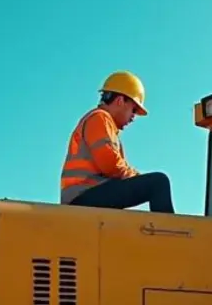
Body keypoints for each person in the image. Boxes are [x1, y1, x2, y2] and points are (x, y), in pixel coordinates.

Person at [58, 71, 175, 214]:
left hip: (83, 195)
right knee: (158, 183)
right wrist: (137, 178)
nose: (133, 117)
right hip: (84, 196)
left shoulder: (102, 123)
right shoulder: (99, 119)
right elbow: (110, 165)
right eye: (133, 110)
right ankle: (169, 228)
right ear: (120, 101)